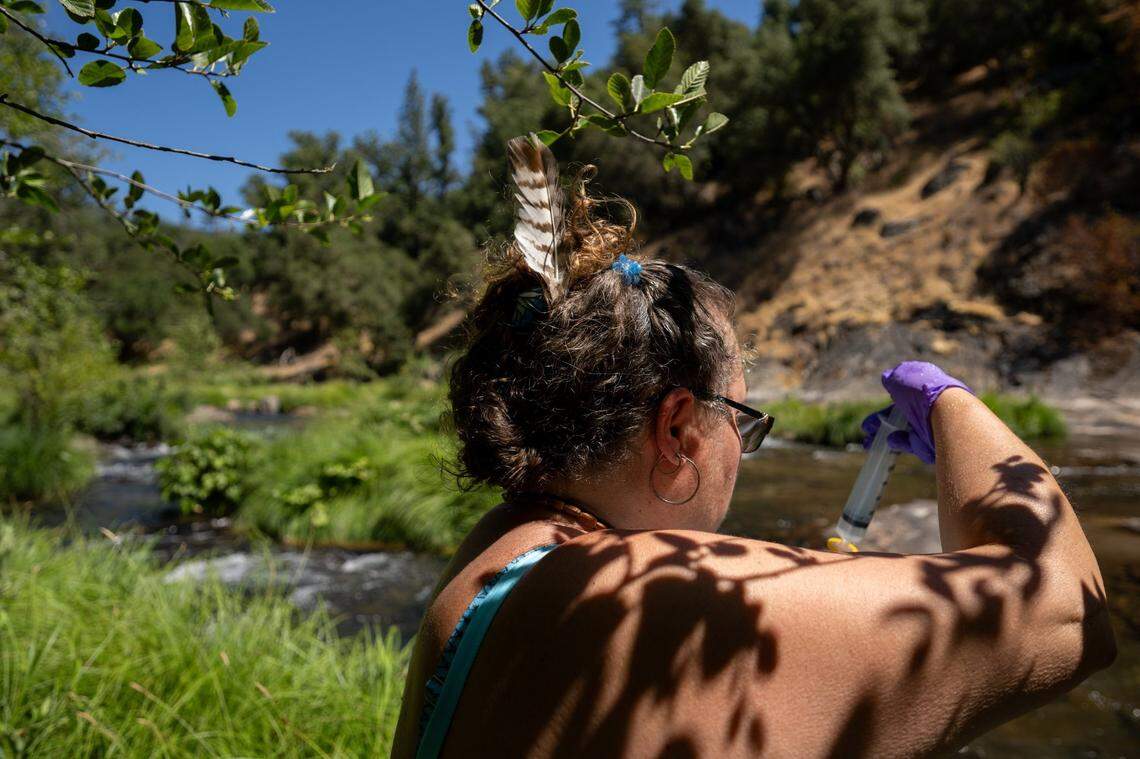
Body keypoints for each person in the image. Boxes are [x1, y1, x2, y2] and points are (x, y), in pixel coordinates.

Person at [391, 137, 1116, 758]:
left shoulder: (499, 554)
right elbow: (1064, 608)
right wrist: (953, 404)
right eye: (739, 417)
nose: (743, 447)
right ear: (677, 431)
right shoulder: (647, 595)